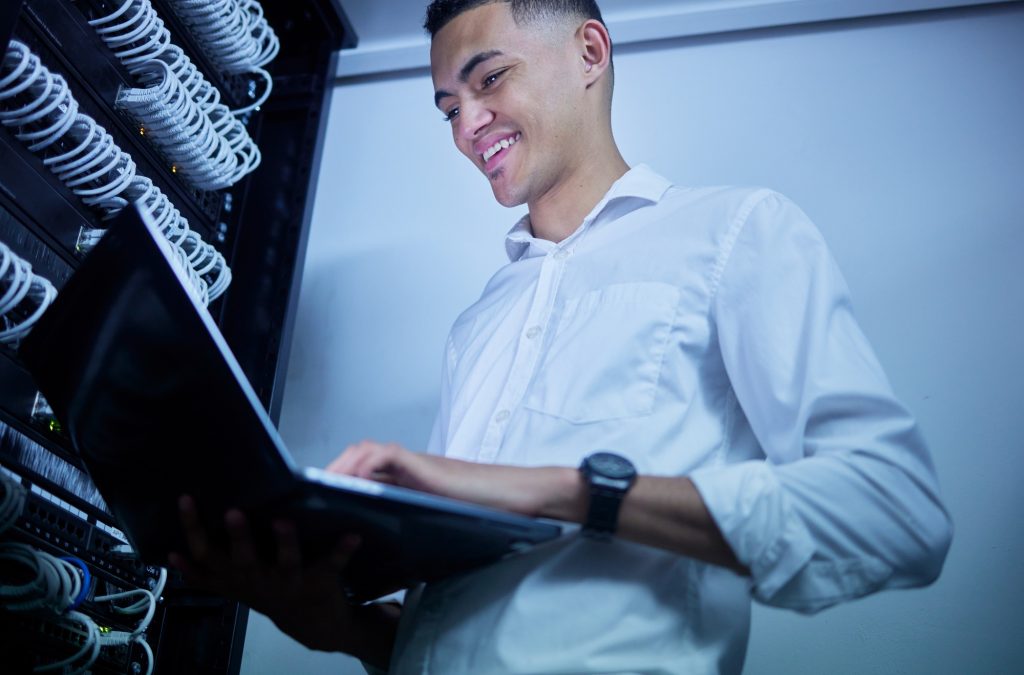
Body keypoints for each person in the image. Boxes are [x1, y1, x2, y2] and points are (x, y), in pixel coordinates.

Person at [171, 1, 953, 673]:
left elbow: (893, 513)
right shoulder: (479, 322)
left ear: (589, 52)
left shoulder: (735, 231)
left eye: (489, 78)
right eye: (448, 107)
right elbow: (450, 633)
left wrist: (565, 489)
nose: (466, 126)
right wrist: (333, 624)